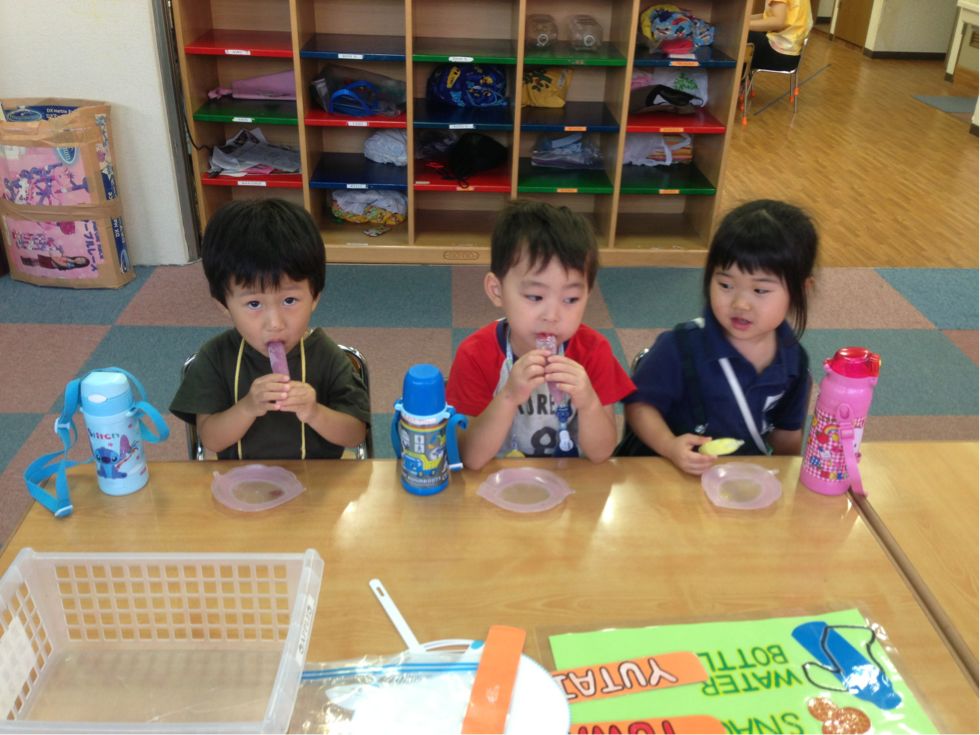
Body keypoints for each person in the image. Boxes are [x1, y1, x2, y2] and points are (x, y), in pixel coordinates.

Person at [619, 199, 817, 475]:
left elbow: (786, 433)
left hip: (738, 479)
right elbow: (639, 406)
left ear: (800, 291)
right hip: (671, 473)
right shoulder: (681, 347)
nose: (740, 304)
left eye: (760, 290)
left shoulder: (793, 358)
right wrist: (669, 446)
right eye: (725, 284)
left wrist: (786, 479)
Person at [171, 198, 370, 460]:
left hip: (316, 480)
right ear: (224, 305)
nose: (275, 323)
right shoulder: (215, 357)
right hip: (241, 481)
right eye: (254, 304)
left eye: (289, 300)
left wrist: (314, 412)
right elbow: (210, 439)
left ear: (314, 298)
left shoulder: (327, 356)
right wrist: (247, 408)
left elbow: (355, 434)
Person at [446, 200, 635, 470]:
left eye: (571, 299)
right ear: (497, 291)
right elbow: (471, 458)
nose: (552, 315)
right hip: (499, 483)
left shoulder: (593, 351)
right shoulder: (475, 354)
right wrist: (509, 397)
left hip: (567, 483)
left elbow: (601, 453)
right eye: (535, 296)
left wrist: (589, 402)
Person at [748, 0, 813, 71]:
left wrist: (744, 25)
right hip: (792, 55)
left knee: (744, 36)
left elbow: (778, 22)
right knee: (746, 34)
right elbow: (767, 17)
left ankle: (741, 75)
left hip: (781, 54)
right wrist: (744, 20)